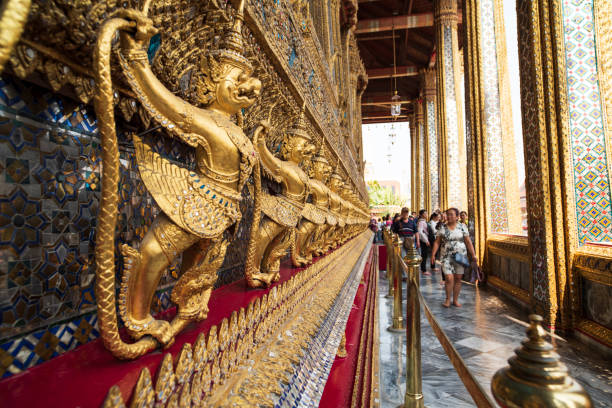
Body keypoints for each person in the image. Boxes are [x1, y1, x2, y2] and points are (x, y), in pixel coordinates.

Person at [430, 208, 478, 308]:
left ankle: (455, 300)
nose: (449, 216)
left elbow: (468, 241)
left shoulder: (462, 226)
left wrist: (473, 255)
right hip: (446, 256)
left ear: (457, 217)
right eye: (448, 214)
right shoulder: (442, 227)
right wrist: (433, 254)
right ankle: (448, 299)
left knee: (458, 279)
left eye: (452, 214)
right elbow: (437, 242)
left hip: (460, 256)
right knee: (448, 278)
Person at [417, 210, 431, 276]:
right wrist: (426, 240)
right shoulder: (421, 222)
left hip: (425, 239)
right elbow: (420, 232)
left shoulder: (423, 221)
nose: (426, 214)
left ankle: (424, 269)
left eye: (426, 213)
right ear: (421, 215)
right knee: (424, 255)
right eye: (425, 213)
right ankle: (423, 270)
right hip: (423, 240)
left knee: (425, 255)